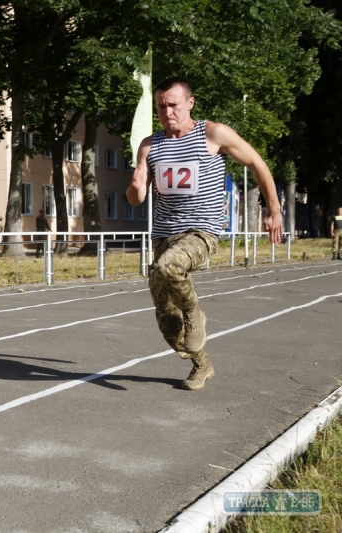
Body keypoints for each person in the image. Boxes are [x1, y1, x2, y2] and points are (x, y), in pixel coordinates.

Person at [126, 76, 282, 391]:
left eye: (173, 105)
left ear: (190, 103)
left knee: (170, 267)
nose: (167, 112)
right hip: (164, 236)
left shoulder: (213, 134)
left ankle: (195, 312)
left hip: (201, 232)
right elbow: (135, 199)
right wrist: (136, 183)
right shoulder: (150, 145)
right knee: (167, 320)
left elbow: (257, 163)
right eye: (161, 106)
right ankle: (202, 365)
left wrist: (274, 209)